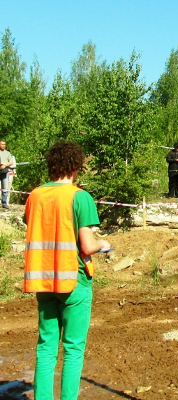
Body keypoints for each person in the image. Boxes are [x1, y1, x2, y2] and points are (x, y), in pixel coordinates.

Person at [24, 140, 110, 400]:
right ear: (75, 167)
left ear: (51, 166)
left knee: (46, 348)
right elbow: (87, 245)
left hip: (42, 280)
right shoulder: (80, 197)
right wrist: (103, 244)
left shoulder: (34, 196)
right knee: (73, 350)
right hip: (74, 280)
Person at [0, 139, 14, 208]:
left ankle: (4, 202)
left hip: (5, 171)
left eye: (4, 144)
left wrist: (5, 165)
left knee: (5, 188)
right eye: (2, 144)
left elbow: (11, 162)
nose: (3, 146)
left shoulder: (7, 153)